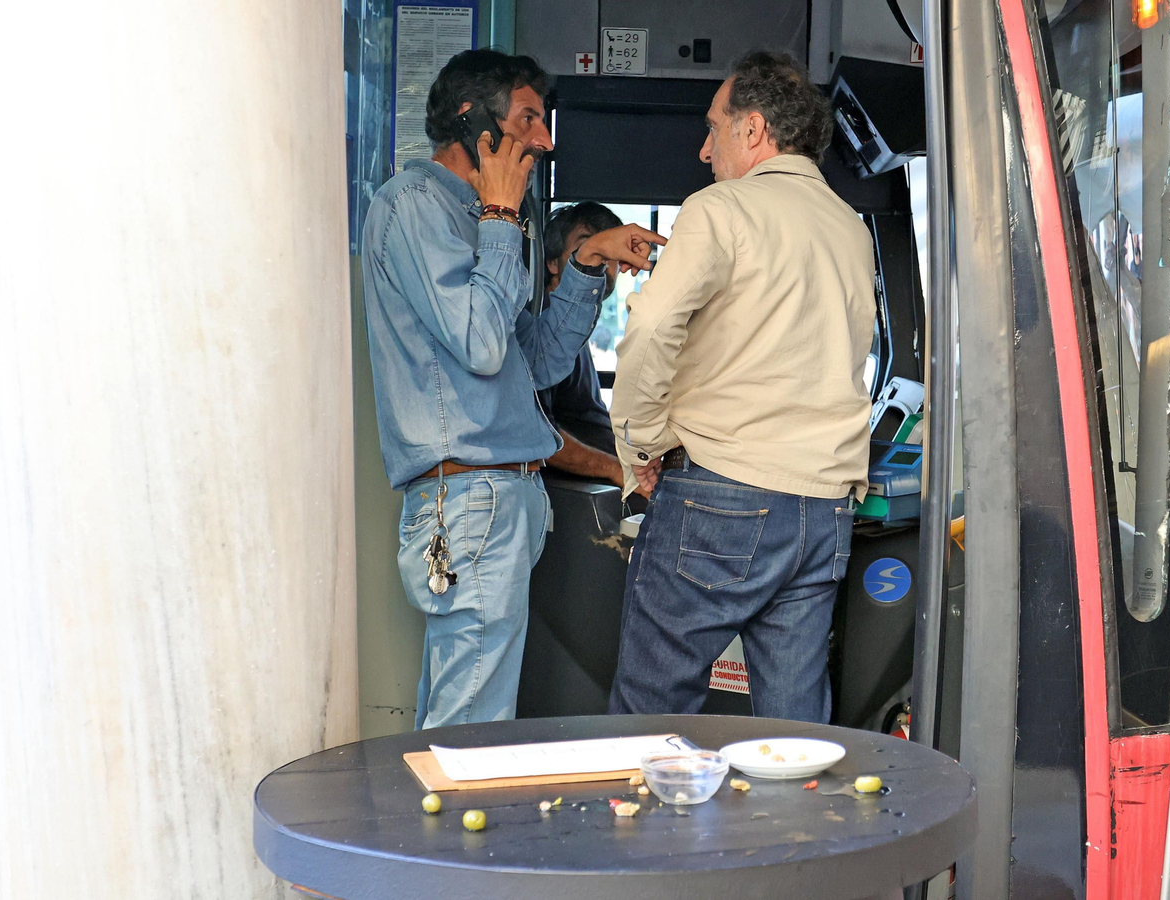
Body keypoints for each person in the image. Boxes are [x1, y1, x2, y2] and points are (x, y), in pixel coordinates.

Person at [361, 49, 663, 729]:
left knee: (464, 711)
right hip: (470, 497)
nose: (546, 139)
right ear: (474, 122)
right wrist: (500, 216)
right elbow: (479, 341)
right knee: (472, 724)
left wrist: (585, 264)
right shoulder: (415, 206)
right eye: (529, 119)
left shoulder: (485, 219)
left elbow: (536, 362)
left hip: (498, 500)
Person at [606, 51, 876, 722]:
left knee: (651, 711)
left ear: (753, 129)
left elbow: (654, 326)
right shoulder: (851, 229)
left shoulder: (719, 209)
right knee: (794, 727)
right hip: (822, 509)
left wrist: (640, 443)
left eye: (713, 128)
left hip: (721, 494)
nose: (704, 150)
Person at [535, 202, 632, 492]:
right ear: (553, 263)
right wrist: (615, 469)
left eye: (609, 250)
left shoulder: (579, 325)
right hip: (585, 489)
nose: (601, 259)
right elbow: (539, 434)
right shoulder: (543, 327)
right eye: (587, 248)